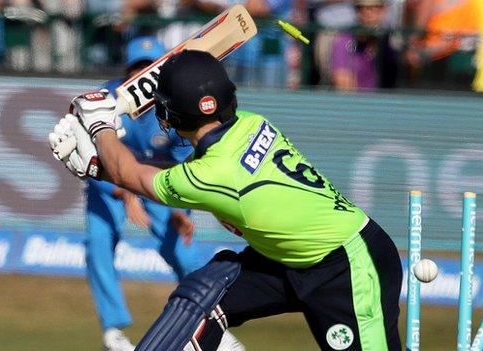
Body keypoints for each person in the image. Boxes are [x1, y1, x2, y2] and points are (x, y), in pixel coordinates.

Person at [50, 50, 403, 350]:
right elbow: (170, 170)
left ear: (172, 114)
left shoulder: (211, 175)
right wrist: (101, 166)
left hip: (348, 269)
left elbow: (132, 175)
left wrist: (100, 128)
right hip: (287, 259)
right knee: (198, 300)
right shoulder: (249, 124)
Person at [80, 37, 242, 351]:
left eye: (149, 69)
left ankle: (213, 322)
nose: (143, 76)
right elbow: (89, 153)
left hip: (155, 179)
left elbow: (184, 160)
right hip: (110, 181)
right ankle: (113, 332)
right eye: (137, 70)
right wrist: (124, 192)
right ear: (127, 72)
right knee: (99, 241)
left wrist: (181, 210)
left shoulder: (172, 101)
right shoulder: (109, 99)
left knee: (181, 248)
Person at [330, 0, 398, 91]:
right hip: (359, 102)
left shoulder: (392, 41)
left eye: (374, 8)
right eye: (361, 8)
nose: (368, 13)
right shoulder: (345, 41)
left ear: (384, 10)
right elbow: (343, 84)